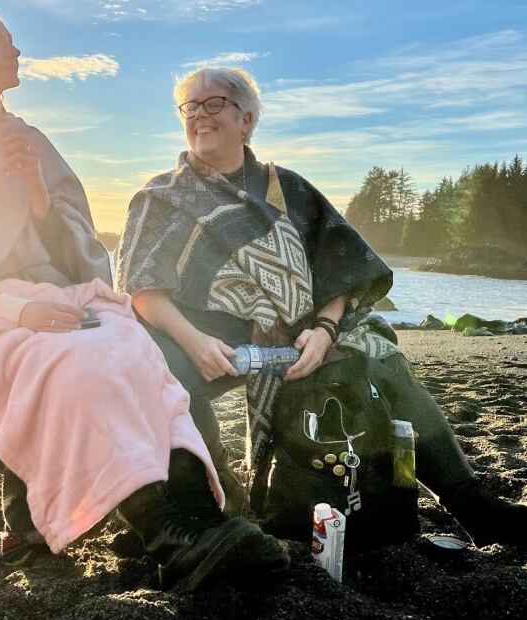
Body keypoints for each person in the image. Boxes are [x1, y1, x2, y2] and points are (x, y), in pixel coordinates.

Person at [0, 7, 289, 592]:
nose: (14, 50)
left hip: (52, 293)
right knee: (72, 361)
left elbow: (76, 249)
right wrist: (17, 309)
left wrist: (35, 196)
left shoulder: (30, 141)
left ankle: (196, 517)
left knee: (134, 345)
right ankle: (167, 535)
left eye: (11, 38)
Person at [115, 65, 526, 549]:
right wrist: (193, 340)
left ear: (246, 119)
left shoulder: (287, 188)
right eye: (190, 107)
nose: (199, 116)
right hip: (206, 340)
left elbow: (342, 265)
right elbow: (142, 288)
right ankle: (214, 512)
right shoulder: (161, 197)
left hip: (299, 337)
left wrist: (326, 330)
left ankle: (473, 505)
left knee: (382, 359)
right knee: (158, 373)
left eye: (214, 104)